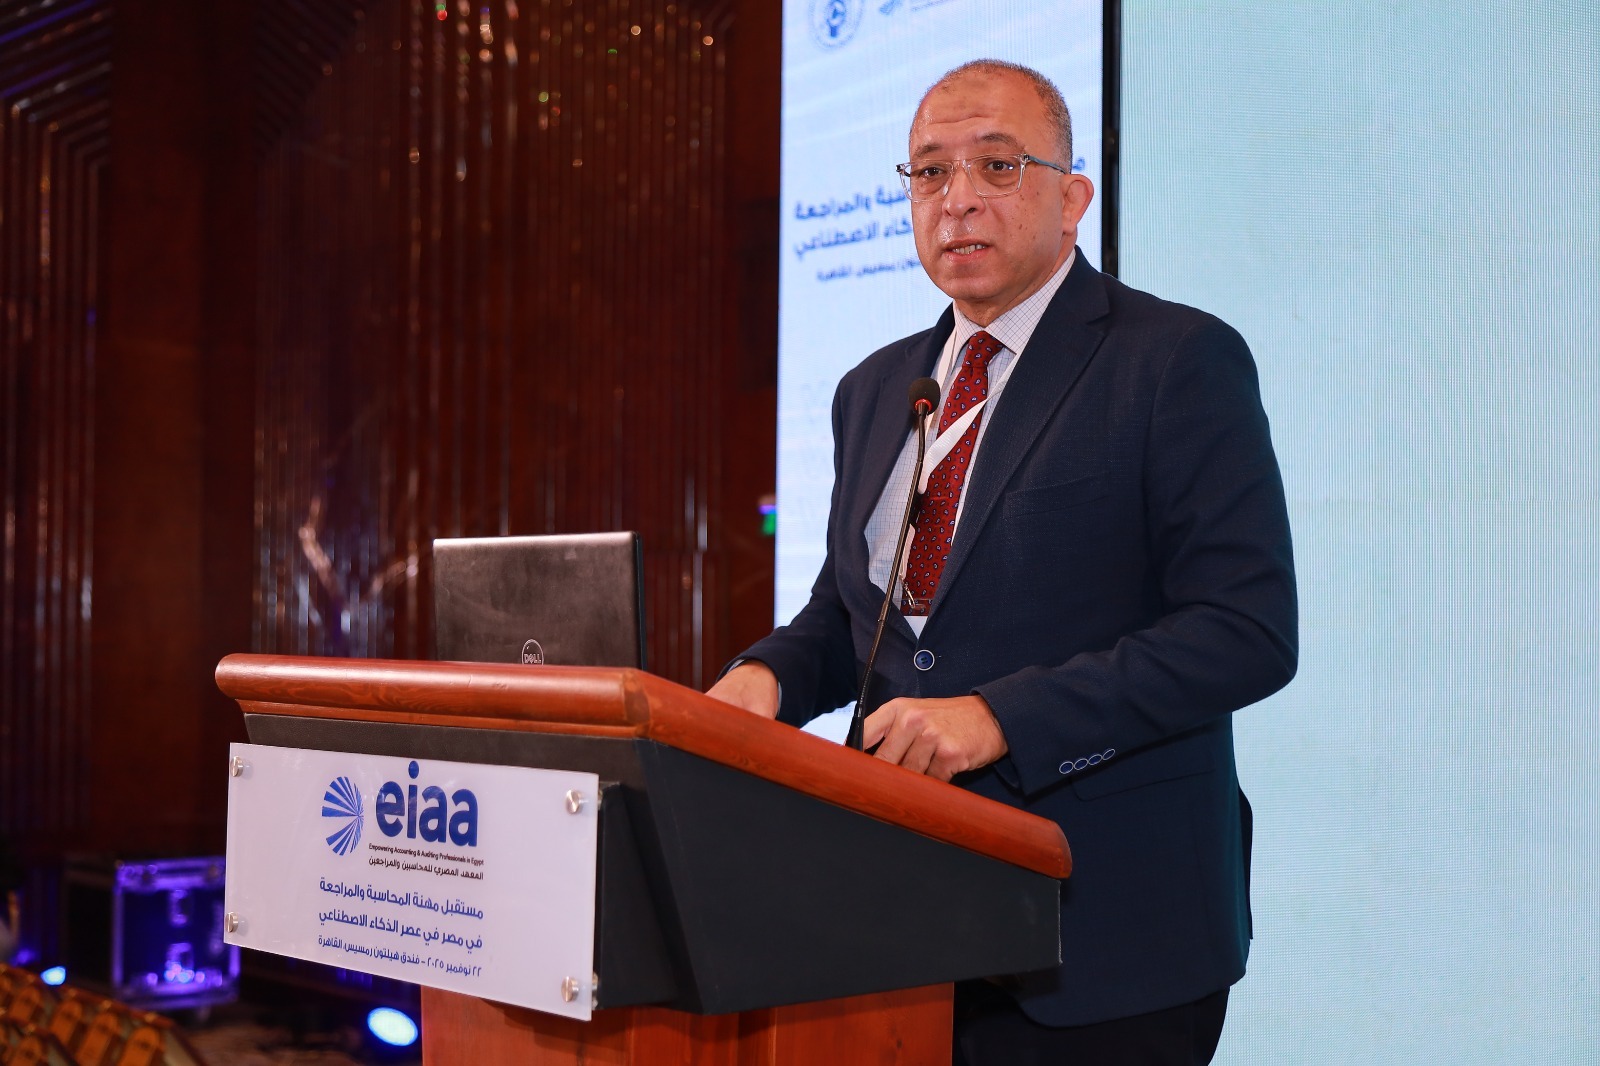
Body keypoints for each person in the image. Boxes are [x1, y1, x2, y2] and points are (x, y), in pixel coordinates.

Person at [707, 58, 1297, 1064]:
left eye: (997, 164)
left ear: (1072, 199)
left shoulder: (1173, 359)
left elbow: (1244, 632)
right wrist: (760, 681)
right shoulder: (875, 387)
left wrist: (998, 717)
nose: (958, 198)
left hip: (1105, 929)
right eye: (930, 172)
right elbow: (856, 618)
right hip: (898, 916)